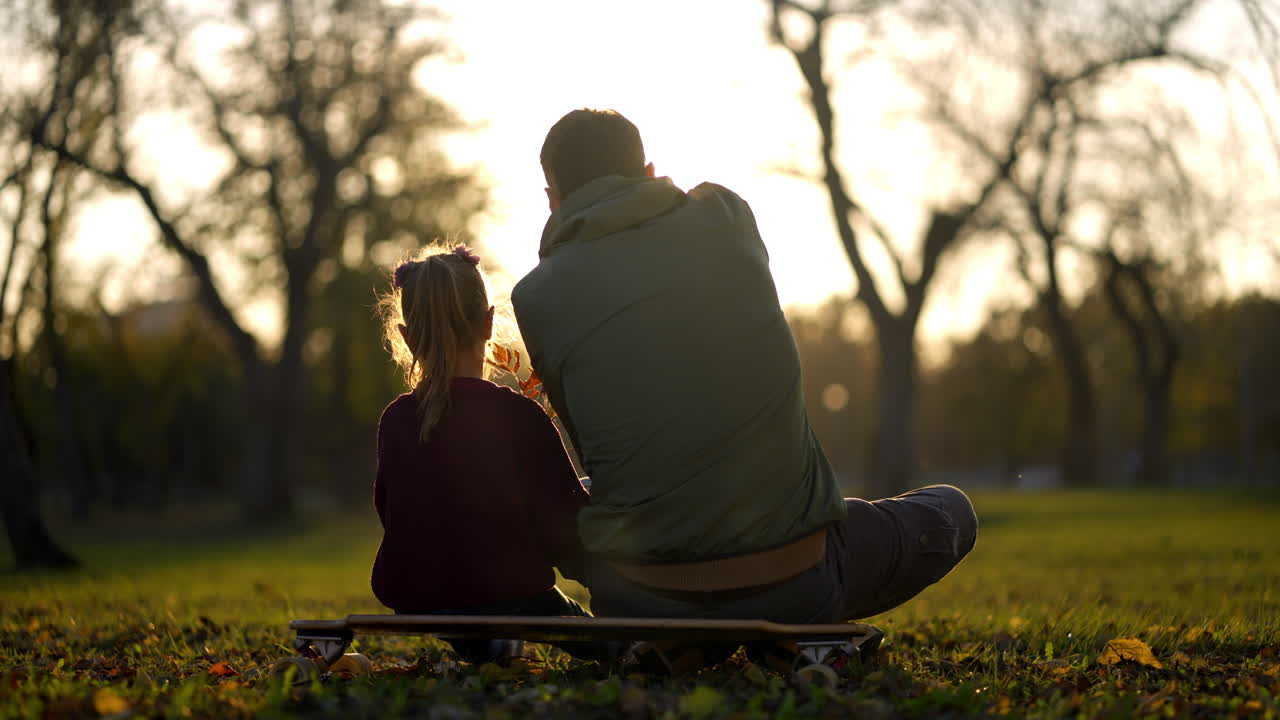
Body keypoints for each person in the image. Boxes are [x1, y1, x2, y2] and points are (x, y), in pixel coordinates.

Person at [512, 108, 978, 628]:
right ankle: (784, 625)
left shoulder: (535, 297)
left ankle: (672, 640)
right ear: (648, 172)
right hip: (795, 581)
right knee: (949, 510)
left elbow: (591, 442)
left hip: (640, 600)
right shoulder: (726, 216)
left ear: (552, 201)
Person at [370, 243, 596, 663]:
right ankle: (500, 635)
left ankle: (486, 644)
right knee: (596, 634)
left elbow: (393, 511)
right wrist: (606, 582)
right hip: (510, 592)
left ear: (405, 336)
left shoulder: (397, 419)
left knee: (469, 592)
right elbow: (563, 526)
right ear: (490, 323)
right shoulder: (517, 415)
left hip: (417, 596)